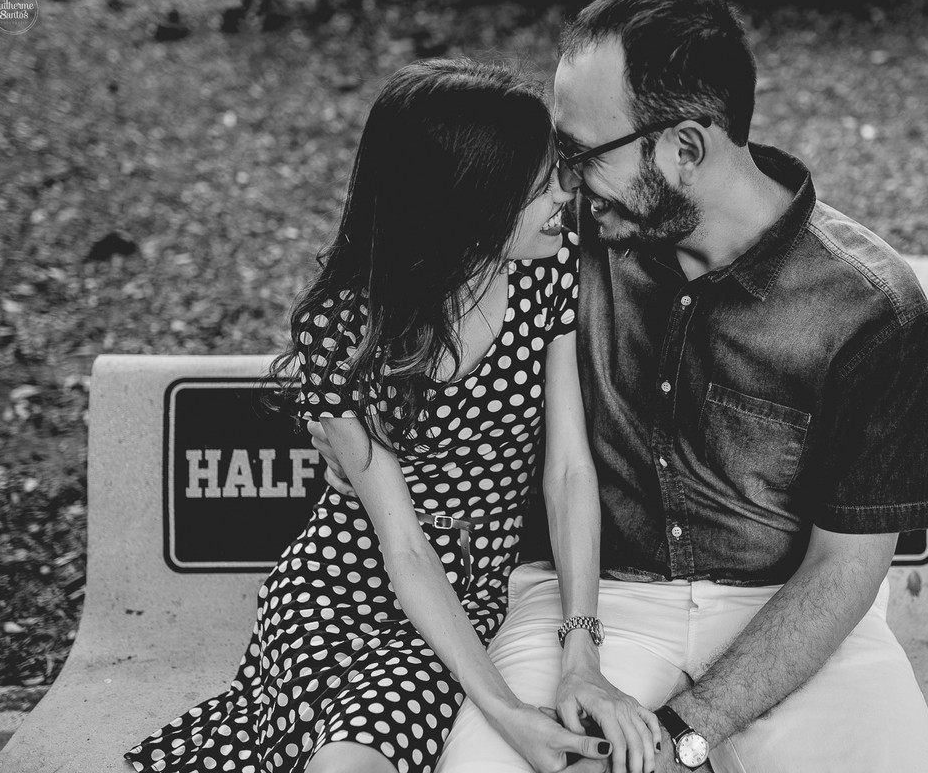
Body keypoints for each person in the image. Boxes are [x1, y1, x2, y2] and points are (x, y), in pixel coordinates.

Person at [313, 0, 928, 772]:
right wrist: (346, 412)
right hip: (591, 599)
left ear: (684, 148)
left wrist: (682, 731)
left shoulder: (869, 308)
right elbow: (407, 238)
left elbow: (843, 570)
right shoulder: (556, 234)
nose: (559, 183)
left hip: (788, 611)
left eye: (578, 156)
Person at [124, 58, 659, 773]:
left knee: (353, 759)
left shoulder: (549, 273)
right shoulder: (341, 329)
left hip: (459, 600)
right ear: (473, 203)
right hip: (339, 583)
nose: (566, 195)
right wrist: (507, 712)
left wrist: (580, 646)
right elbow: (402, 544)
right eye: (540, 187)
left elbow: (567, 472)